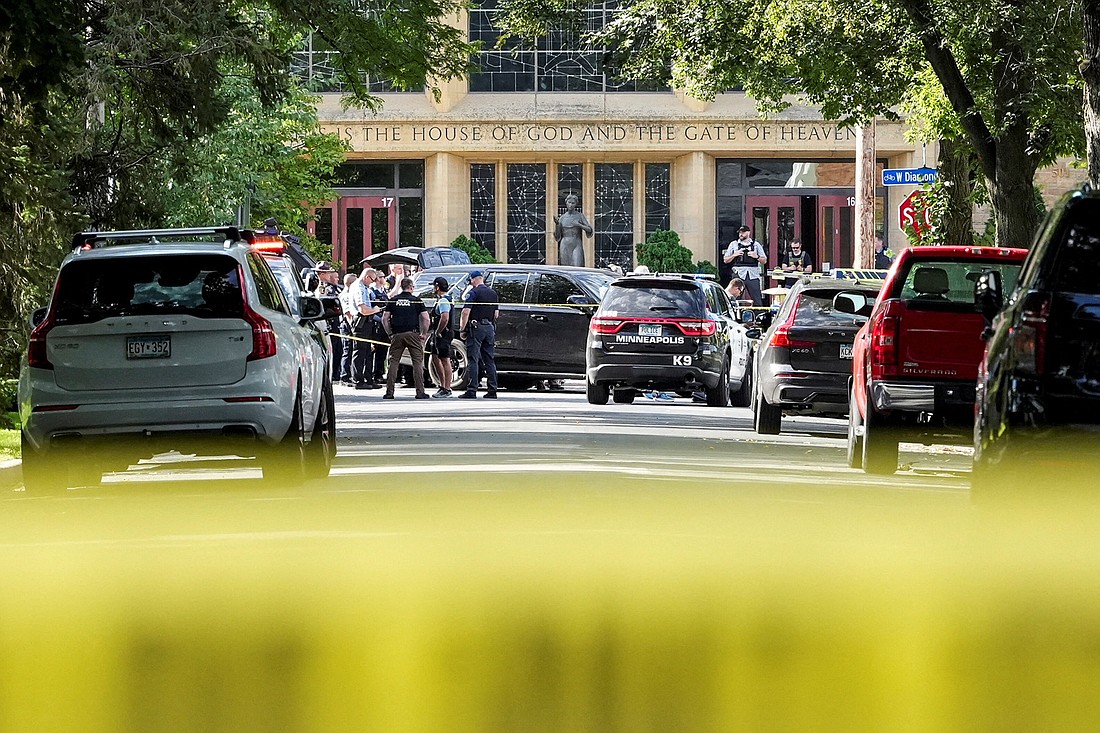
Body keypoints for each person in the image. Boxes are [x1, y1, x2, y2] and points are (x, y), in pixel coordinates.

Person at [381, 277, 430, 400]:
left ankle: (389, 392)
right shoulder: (416, 300)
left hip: (397, 334)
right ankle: (420, 392)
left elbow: (384, 319)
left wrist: (390, 334)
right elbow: (426, 318)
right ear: (411, 287)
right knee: (417, 362)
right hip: (413, 334)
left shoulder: (393, 300)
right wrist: (423, 333)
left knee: (393, 362)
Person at [458, 270, 499, 399]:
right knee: (489, 360)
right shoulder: (493, 293)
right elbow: (496, 314)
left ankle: (472, 389)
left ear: (474, 279)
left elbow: (465, 312)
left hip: (476, 328)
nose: (470, 283)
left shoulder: (473, 293)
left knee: (473, 359)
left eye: (471, 280)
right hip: (489, 328)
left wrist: (462, 329)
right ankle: (492, 390)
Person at [350, 267, 383, 390]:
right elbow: (363, 310)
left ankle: (368, 379)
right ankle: (358, 380)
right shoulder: (359, 288)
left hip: (367, 322)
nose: (373, 282)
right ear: (366, 277)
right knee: (360, 351)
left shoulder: (364, 287)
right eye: (372, 279)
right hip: (361, 321)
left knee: (368, 352)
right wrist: (375, 310)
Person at [723, 225, 767, 306]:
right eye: (739, 233)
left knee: (757, 298)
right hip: (738, 273)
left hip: (753, 274)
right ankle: (734, 316)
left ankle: (759, 316)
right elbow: (725, 260)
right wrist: (734, 255)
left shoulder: (756, 244)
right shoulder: (734, 244)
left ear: (748, 233)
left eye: (743, 232)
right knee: (734, 298)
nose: (741, 234)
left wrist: (756, 256)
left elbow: (764, 260)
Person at [313, 262, 343, 382]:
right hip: (323, 321)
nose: (330, 275)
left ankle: (334, 373)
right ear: (322, 273)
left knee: (336, 349)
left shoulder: (325, 285)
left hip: (327, 322)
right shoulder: (321, 287)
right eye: (328, 273)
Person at [429, 276, 455, 398]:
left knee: (445, 359)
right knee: (435, 357)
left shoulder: (444, 301)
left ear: (437, 287)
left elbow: (445, 317)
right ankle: (442, 385)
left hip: (443, 334)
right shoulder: (441, 300)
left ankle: (447, 388)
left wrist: (439, 331)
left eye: (434, 286)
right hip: (438, 334)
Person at [554, 193, 593, 268]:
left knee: (577, 265)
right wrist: (557, 224)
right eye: (569, 202)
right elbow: (557, 236)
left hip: (576, 243)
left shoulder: (579, 215)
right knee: (565, 267)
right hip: (565, 244)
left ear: (576, 204)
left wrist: (579, 225)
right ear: (566, 203)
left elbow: (589, 229)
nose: (570, 205)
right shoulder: (562, 218)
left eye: (573, 203)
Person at [366, 269, 391, 386]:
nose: (384, 279)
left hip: (384, 325)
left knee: (382, 351)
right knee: (373, 350)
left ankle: (379, 374)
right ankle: (370, 374)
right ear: (377, 278)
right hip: (375, 324)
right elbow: (370, 309)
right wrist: (379, 319)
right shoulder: (371, 291)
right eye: (382, 277)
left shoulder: (383, 291)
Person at [337, 273, 358, 385]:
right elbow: (348, 313)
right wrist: (353, 327)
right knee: (347, 350)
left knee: (350, 350)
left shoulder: (350, 293)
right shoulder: (346, 295)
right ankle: (344, 377)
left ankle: (348, 374)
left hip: (349, 324)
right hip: (347, 325)